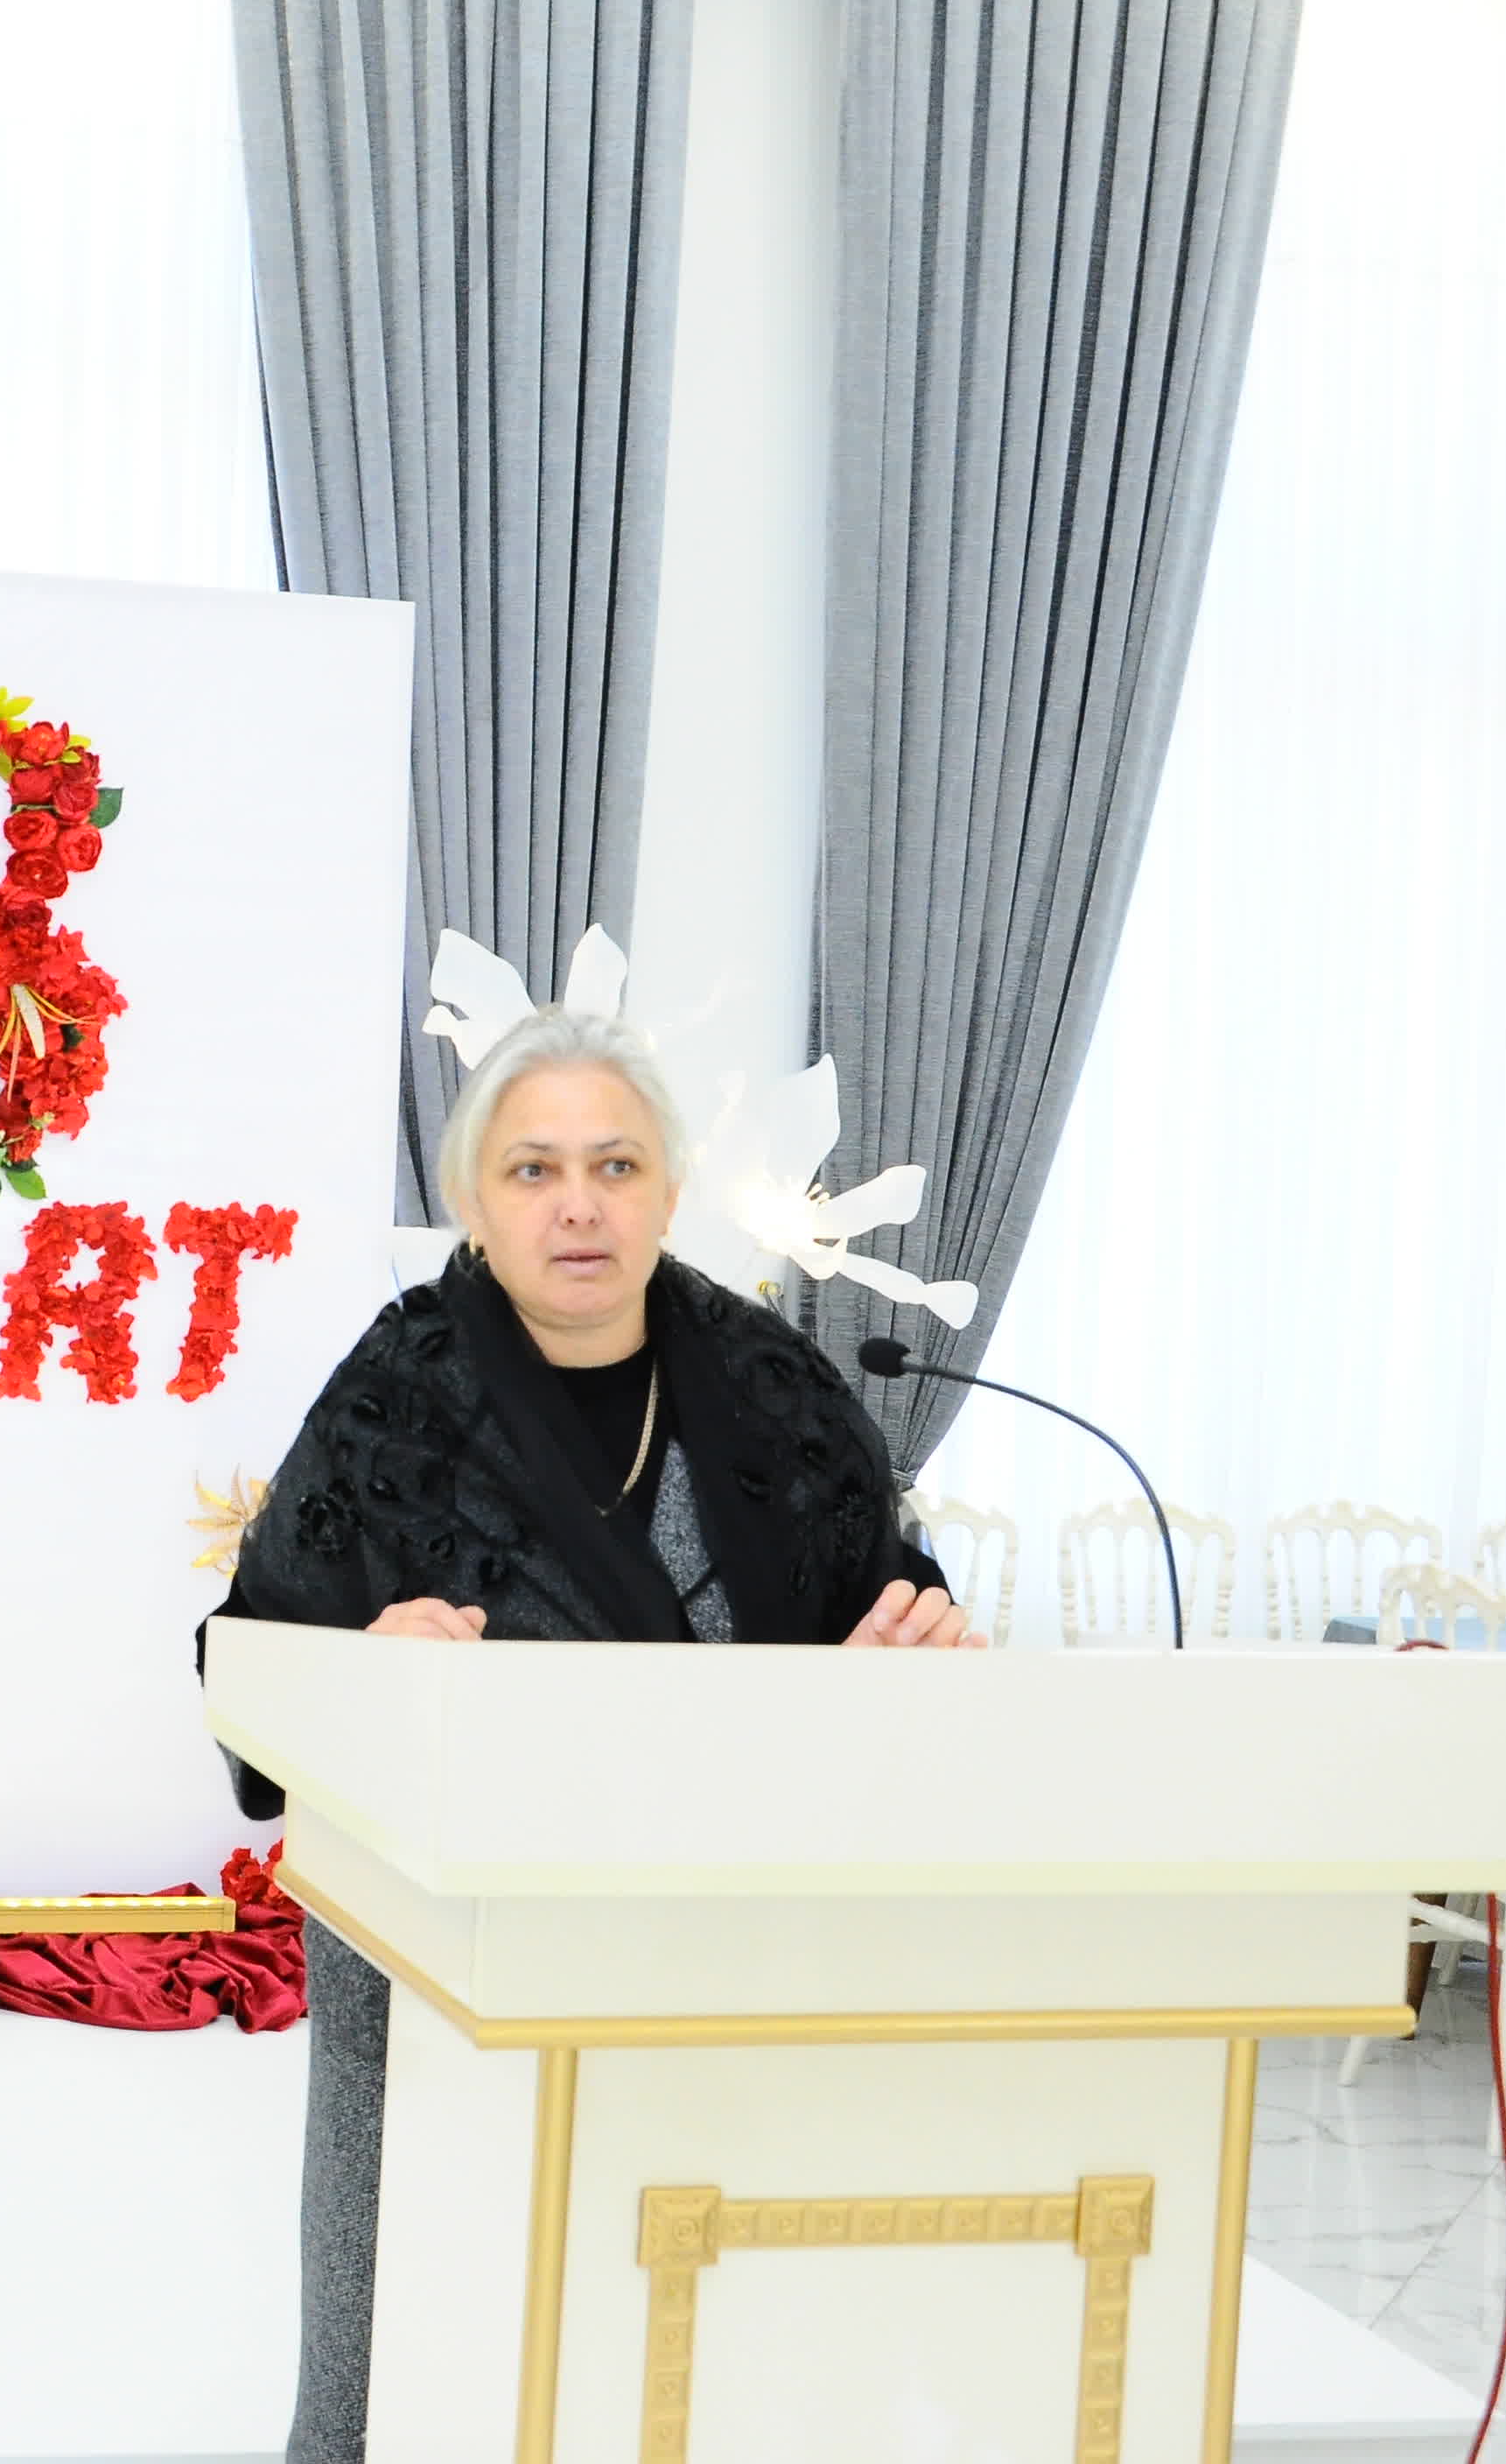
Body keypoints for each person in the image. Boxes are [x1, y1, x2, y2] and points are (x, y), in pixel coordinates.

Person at [205, 1000, 977, 2463]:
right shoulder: (396, 1396)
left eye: (616, 1166)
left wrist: (904, 1643)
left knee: (686, 2363)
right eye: (535, 1169)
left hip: (727, 1966)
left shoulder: (776, 1387)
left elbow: (893, 1599)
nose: (579, 1205)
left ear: (668, 1192)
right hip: (442, 1970)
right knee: (430, 2348)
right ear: (472, 1199)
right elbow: (250, 1651)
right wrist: (367, 1670)